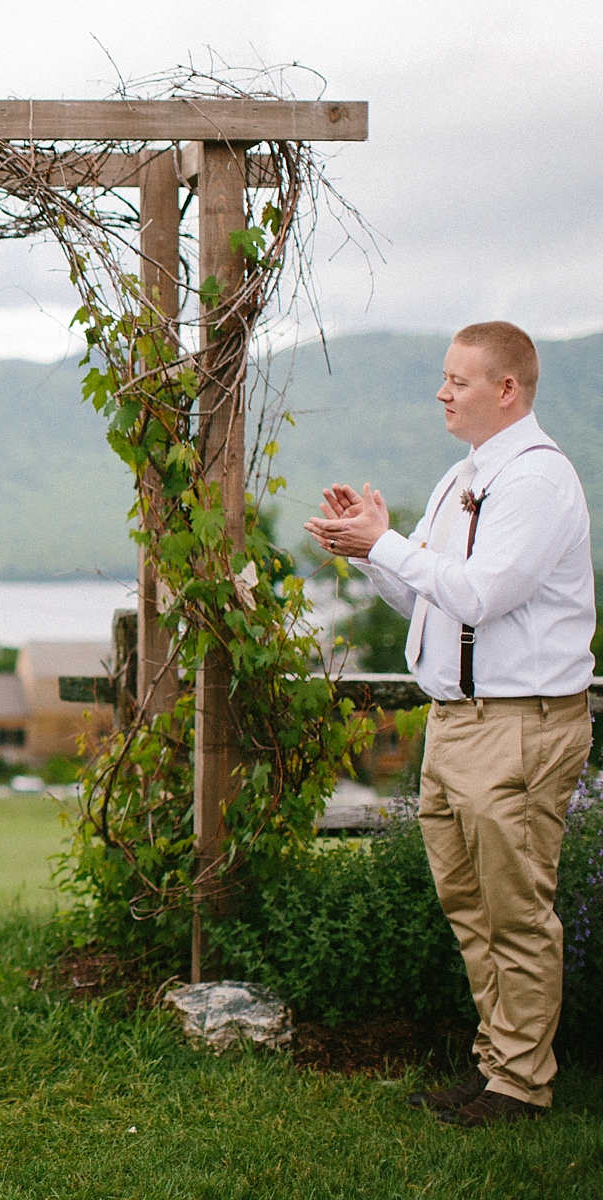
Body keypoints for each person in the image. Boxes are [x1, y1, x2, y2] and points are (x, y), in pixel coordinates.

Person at [303, 321, 594, 1128]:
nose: (441, 392)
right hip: (459, 723)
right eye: (443, 377)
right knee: (469, 904)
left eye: (458, 381)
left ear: (506, 390)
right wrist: (368, 552)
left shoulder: (536, 481)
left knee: (516, 908)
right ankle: (499, 1067)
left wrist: (387, 541)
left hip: (519, 725)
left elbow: (479, 594)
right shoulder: (457, 478)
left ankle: (522, 1086)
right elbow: (433, 600)